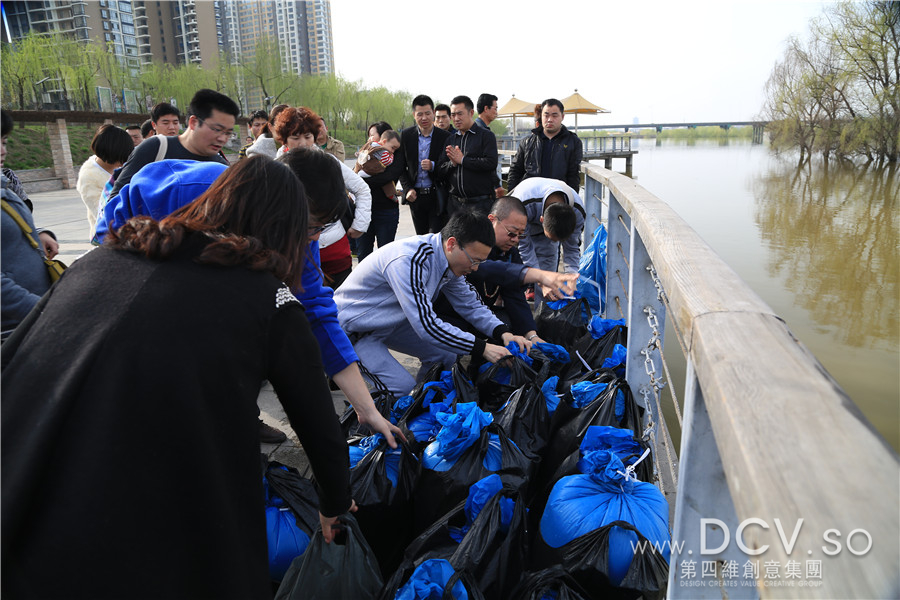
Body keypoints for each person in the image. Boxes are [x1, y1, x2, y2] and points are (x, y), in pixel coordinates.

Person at [1, 156, 356, 599]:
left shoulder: (104, 259)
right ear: (283, 227)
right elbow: (317, 418)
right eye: (307, 233)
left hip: (25, 479)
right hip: (140, 507)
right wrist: (335, 504)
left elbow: (14, 356)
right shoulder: (268, 297)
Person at [334, 210, 531, 398]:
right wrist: (483, 348)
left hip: (388, 324)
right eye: (474, 260)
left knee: (444, 355)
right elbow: (426, 325)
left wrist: (503, 333)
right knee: (401, 388)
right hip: (353, 331)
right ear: (452, 244)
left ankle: (421, 408)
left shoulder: (449, 262)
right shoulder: (410, 260)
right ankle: (377, 425)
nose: (475, 268)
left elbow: (471, 304)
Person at [434, 196, 578, 342]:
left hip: (478, 313)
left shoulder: (510, 254)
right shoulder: (470, 241)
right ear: (492, 220)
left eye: (520, 235)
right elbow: (486, 268)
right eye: (511, 233)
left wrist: (532, 336)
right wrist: (537, 275)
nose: (515, 239)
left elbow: (515, 297)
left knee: (508, 325)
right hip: (446, 315)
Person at [276, 110, 370, 288]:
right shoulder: (278, 167)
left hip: (334, 247)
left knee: (341, 300)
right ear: (284, 139)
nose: (302, 143)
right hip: (297, 251)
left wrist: (360, 225)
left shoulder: (328, 161)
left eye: (307, 136)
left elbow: (362, 189)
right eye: (295, 137)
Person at [105, 89, 238, 204]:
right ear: (193, 122)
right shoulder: (155, 148)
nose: (222, 138)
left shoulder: (222, 168)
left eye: (228, 133)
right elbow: (115, 201)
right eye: (216, 129)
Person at [1, 110, 58, 340]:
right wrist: (45, 310)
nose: (2, 150)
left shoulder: (4, 184)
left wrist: (37, 233)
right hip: (13, 331)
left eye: (3, 141)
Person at [510, 176, 585, 305]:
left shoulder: (578, 212)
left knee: (548, 275)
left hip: (547, 224)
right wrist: (539, 280)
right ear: (541, 220)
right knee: (516, 273)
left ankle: (542, 316)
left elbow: (572, 248)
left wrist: (572, 276)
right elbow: (524, 247)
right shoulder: (523, 204)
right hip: (521, 217)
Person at [434, 95, 499, 217]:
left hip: (481, 204)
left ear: (471, 112)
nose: (456, 118)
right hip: (455, 205)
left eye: (460, 114)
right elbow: (439, 170)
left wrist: (463, 160)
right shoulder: (451, 139)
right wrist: (452, 163)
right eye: (453, 115)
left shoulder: (486, 136)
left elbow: (491, 163)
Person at [397, 94, 451, 235]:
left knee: (434, 238)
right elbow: (401, 167)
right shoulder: (407, 135)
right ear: (414, 115)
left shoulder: (444, 137)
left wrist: (433, 166)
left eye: (428, 113)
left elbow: (449, 166)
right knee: (420, 239)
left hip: (436, 195)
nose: (424, 118)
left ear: (433, 113)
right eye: (420, 114)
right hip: (415, 197)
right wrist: (407, 189)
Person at [507, 98, 584, 191]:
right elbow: (515, 171)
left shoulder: (573, 142)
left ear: (562, 117)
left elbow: (573, 176)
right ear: (541, 116)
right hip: (531, 194)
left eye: (555, 116)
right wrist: (514, 197)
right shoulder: (527, 142)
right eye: (546, 115)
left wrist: (571, 200)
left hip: (558, 194)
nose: (550, 120)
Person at [76, 124, 134, 238]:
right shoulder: (89, 179)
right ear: (110, 152)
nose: (123, 161)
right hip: (109, 235)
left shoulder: (118, 165)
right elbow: (104, 215)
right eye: (121, 157)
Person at [356, 125, 403, 263]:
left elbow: (389, 176)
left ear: (383, 138)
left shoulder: (393, 154)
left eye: (373, 135)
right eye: (369, 135)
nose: (370, 138)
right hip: (364, 211)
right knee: (363, 255)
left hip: (386, 211)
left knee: (386, 256)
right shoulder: (368, 150)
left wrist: (362, 182)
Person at [474, 93, 505, 199]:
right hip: (482, 190)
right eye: (495, 108)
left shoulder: (475, 128)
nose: (496, 112)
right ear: (486, 108)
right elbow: (488, 163)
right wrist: (497, 185)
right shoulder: (482, 132)